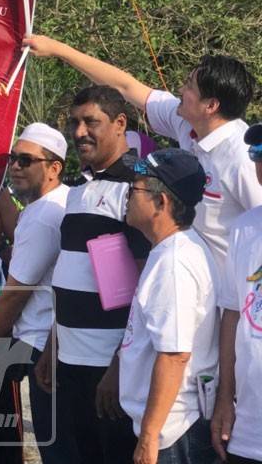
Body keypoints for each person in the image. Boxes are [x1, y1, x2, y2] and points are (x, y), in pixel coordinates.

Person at [25, 35, 262, 271]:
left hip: (228, 289)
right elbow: (125, 87)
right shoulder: (185, 121)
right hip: (185, 271)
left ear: (210, 106)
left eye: (189, 86)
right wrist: (57, 49)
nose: (180, 89)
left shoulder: (244, 158)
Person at [35, 86, 151, 464]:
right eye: (74, 122)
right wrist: (53, 345)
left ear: (120, 123)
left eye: (91, 122)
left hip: (108, 369)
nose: (80, 131)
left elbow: (145, 290)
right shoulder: (77, 190)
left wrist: (120, 366)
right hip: (70, 362)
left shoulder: (137, 188)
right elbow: (71, 275)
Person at [0, 122, 70, 463]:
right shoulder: (52, 204)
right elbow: (26, 247)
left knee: (33, 445)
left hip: (35, 344)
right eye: (12, 159)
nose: (15, 166)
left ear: (54, 168)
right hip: (49, 339)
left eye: (26, 160)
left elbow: (15, 293)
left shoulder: (45, 214)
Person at [121, 148, 218, 463]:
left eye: (134, 189)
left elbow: (174, 355)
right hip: (168, 427)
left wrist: (149, 437)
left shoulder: (175, 262)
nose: (126, 196)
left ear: (161, 202)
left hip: (172, 432)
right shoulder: (171, 250)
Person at [212, 123, 262, 464]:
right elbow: (233, 314)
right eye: (257, 154)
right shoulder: (244, 227)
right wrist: (224, 398)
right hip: (248, 429)